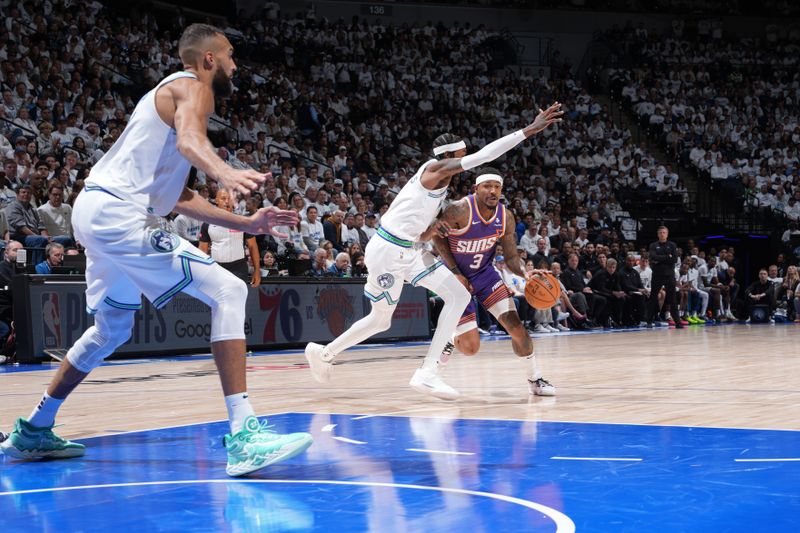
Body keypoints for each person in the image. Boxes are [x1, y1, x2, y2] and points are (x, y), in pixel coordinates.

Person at [0, 24, 312, 476]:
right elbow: (191, 140)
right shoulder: (193, 88)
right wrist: (225, 171)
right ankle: (244, 436)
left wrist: (247, 223)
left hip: (98, 213)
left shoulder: (165, 101)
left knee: (112, 330)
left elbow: (180, 199)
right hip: (120, 215)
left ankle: (34, 429)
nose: (234, 65)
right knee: (229, 291)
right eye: (229, 56)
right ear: (208, 59)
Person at [305, 103, 564, 399]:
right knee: (381, 319)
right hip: (388, 250)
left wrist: (429, 231)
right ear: (451, 156)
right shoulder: (434, 170)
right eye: (462, 155)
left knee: (455, 296)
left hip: (410, 249)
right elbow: (485, 156)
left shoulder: (440, 188)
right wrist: (529, 130)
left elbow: (418, 225)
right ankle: (327, 353)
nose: (466, 159)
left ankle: (422, 371)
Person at [432, 167, 555, 396]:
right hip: (456, 277)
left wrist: (525, 274)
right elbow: (437, 239)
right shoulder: (458, 210)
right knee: (470, 348)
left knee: (517, 328)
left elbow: (510, 257)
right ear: (476, 189)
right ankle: (449, 339)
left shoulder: (505, 216)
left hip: (485, 275)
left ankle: (535, 378)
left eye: (497, 187)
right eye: (487, 186)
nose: (493, 191)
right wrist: (456, 271)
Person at [198, 189, 261, 286]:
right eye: (223, 198)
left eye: (229, 198)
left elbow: (252, 246)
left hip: (239, 268)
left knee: (237, 300)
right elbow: (202, 249)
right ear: (216, 201)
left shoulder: (242, 221)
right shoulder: (207, 223)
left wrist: (257, 270)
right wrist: (201, 272)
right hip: (216, 268)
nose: (227, 201)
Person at [645, 226, 682, 328]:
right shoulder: (653, 245)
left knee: (673, 299)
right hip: (657, 275)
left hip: (669, 275)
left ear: (667, 234)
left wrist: (660, 259)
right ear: (658, 234)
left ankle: (678, 322)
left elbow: (674, 259)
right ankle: (649, 321)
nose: (662, 234)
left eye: (664, 232)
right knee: (653, 298)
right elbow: (653, 257)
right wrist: (667, 257)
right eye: (660, 232)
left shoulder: (672, 245)